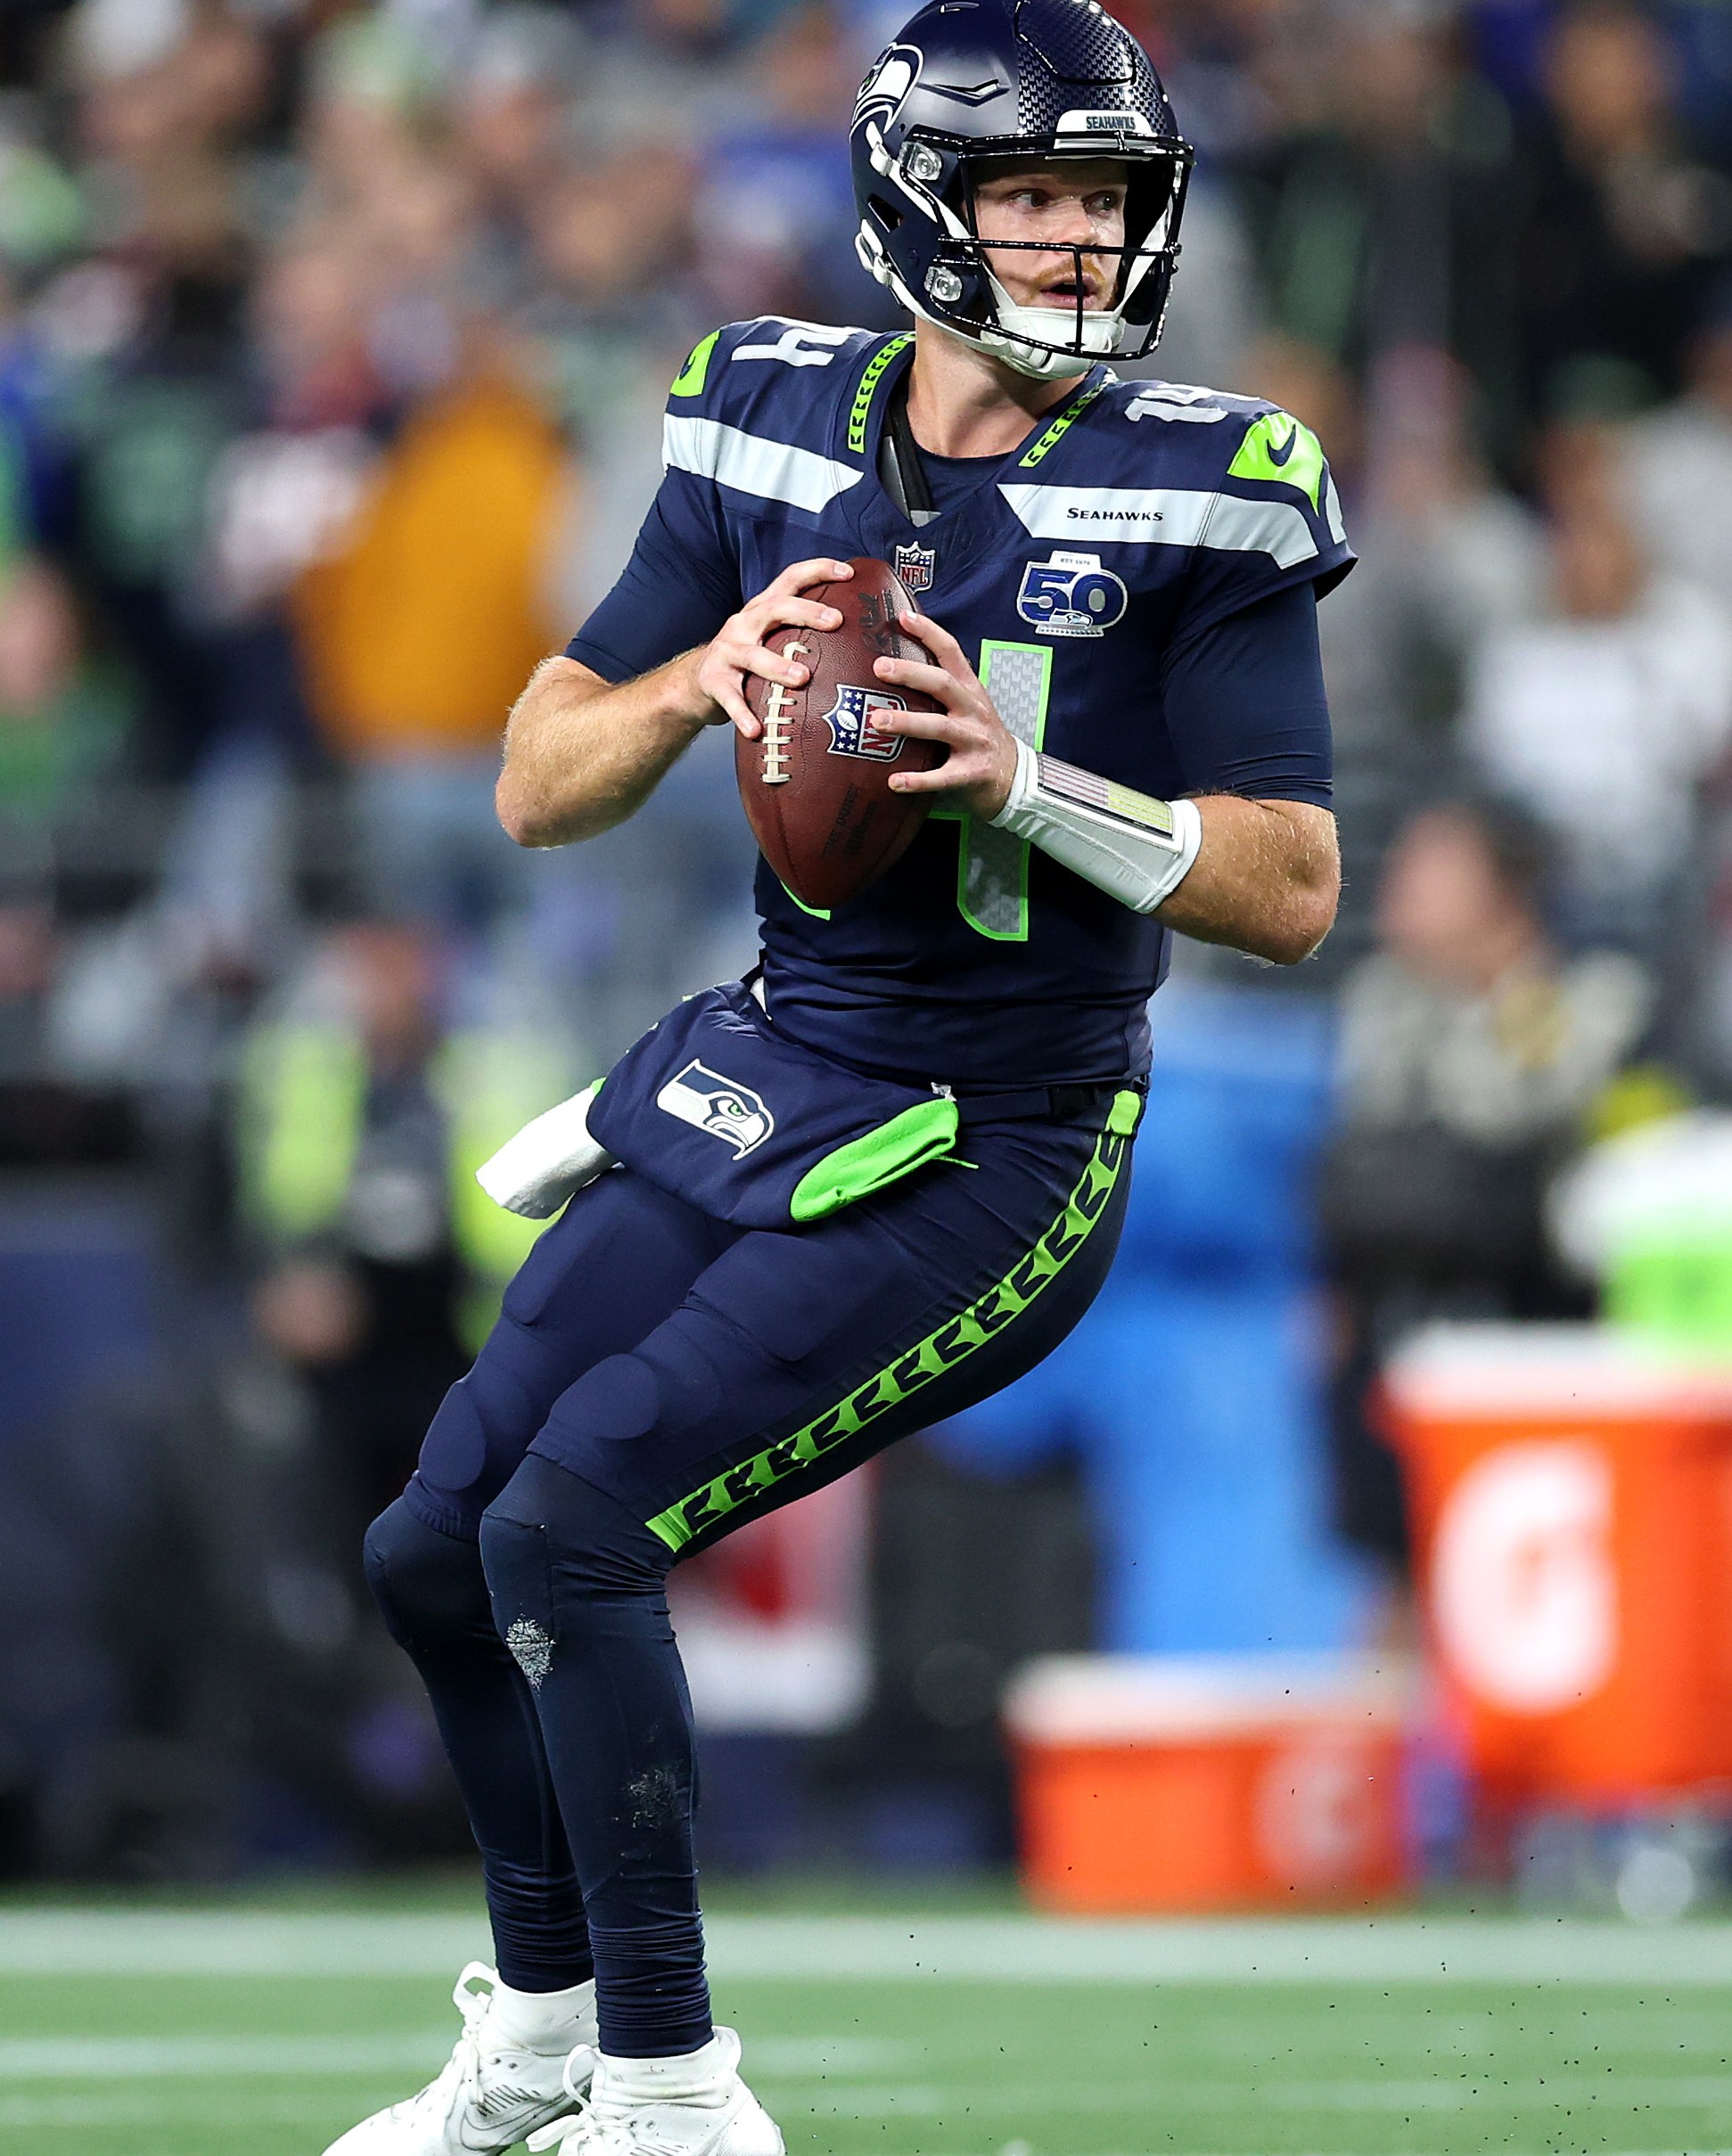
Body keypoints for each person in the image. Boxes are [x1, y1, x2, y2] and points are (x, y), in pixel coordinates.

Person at [330, 3, 1350, 2152]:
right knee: (436, 1541)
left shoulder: (1212, 477)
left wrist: (1034, 778)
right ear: (918, 202)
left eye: (1109, 201)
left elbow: (1293, 888)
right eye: (1039, 197)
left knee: (574, 1522)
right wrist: (699, 679)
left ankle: (678, 2090)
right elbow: (533, 779)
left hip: (1003, 1138)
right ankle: (532, 2034)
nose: (1083, 245)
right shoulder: (766, 415)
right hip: (774, 1067)